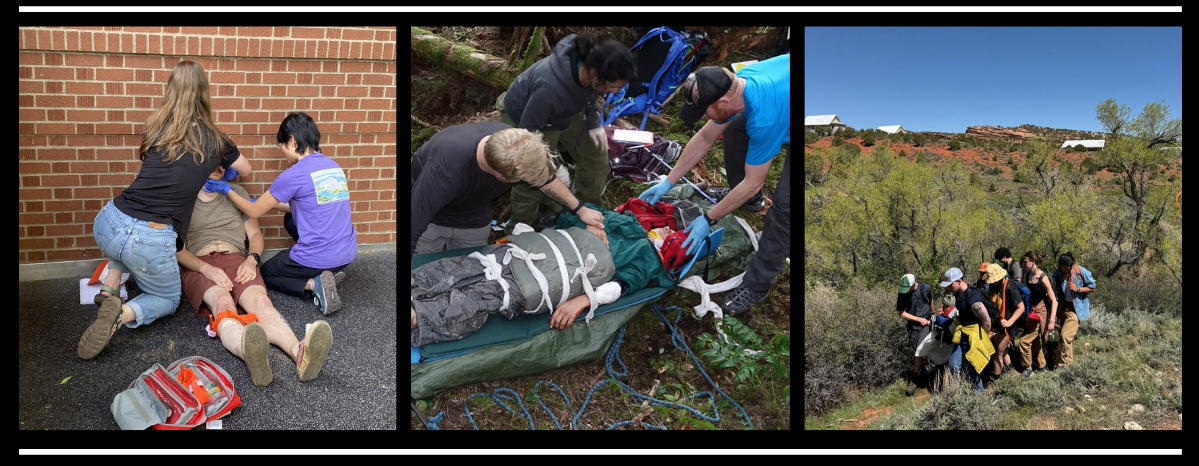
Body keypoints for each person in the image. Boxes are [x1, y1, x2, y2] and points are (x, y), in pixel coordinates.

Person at [80, 60, 252, 360]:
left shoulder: (156, 127)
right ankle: (122, 314)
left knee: (125, 242)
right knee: (167, 299)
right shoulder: (216, 139)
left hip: (109, 221)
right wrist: (222, 172)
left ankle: (109, 290)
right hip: (151, 239)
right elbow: (245, 170)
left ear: (170, 90)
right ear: (204, 94)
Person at [638, 53, 791, 316]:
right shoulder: (737, 83)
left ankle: (758, 283)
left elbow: (755, 182)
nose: (703, 117)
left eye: (704, 110)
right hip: (783, 97)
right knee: (733, 128)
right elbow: (706, 136)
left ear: (723, 101)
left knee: (785, 207)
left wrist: (708, 219)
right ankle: (744, 200)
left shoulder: (764, 117)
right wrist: (668, 181)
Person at [412, 202, 681, 347]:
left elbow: (623, 285)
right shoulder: (616, 218)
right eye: (670, 225)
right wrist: (587, 221)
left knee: (475, 301)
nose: (669, 231)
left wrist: (583, 301)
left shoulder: (646, 255)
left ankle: (417, 317)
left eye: (674, 231)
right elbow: (567, 215)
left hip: (532, 282)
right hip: (515, 254)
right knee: (453, 269)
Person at [177, 166, 333, 386]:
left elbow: (255, 234)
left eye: (223, 162)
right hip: (201, 263)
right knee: (223, 303)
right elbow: (178, 250)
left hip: (238, 259)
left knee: (261, 302)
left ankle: (299, 352)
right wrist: (206, 269)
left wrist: (252, 259)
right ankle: (249, 351)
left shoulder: (236, 193)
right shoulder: (183, 197)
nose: (219, 167)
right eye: (213, 161)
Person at [204, 112, 355, 316]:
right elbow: (308, 206)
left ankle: (314, 283)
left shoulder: (294, 174)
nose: (282, 151)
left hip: (319, 256)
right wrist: (265, 204)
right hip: (346, 253)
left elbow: (253, 211)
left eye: (281, 146)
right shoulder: (333, 167)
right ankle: (329, 274)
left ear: (292, 141)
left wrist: (226, 190)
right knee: (291, 219)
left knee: (267, 273)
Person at [497, 31, 634, 233]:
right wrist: (545, 162)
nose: (614, 92)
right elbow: (526, 138)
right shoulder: (549, 88)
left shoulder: (588, 64)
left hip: (567, 112)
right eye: (613, 87)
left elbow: (587, 92)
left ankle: (586, 212)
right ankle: (520, 227)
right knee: (533, 176)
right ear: (596, 74)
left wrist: (593, 122)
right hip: (528, 119)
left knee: (596, 160)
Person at [410, 122, 605, 256]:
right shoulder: (445, 171)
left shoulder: (513, 143)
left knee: (468, 269)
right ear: (501, 177)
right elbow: (412, 226)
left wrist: (581, 209)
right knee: (422, 269)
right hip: (430, 221)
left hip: (473, 217)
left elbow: (545, 179)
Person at [939, 267, 994, 393]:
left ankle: (978, 398)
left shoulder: (973, 298)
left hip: (973, 335)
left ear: (958, 281)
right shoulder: (958, 294)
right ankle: (964, 391)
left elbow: (986, 320)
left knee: (972, 369)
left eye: (949, 284)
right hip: (962, 333)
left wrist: (984, 336)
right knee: (954, 366)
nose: (947, 288)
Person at [1050, 253, 1096, 369]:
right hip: (1061, 308)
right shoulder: (1057, 274)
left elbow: (1092, 286)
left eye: (1070, 266)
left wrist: (1078, 289)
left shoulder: (1080, 271)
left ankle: (1060, 364)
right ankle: (1069, 365)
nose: (1069, 269)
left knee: (1065, 336)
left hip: (1075, 309)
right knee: (1064, 337)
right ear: (1061, 266)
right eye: (1066, 267)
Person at [1018, 251, 1057, 378]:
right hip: (1031, 311)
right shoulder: (1027, 274)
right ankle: (1042, 365)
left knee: (1024, 340)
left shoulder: (1043, 278)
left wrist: (1051, 321)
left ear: (1033, 262)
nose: (1023, 265)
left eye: (1026, 262)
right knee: (1034, 340)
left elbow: (1054, 301)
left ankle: (1028, 368)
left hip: (1041, 313)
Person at [984, 263, 1025, 382]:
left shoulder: (1011, 287)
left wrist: (1009, 322)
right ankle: (1012, 371)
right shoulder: (994, 287)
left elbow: (1020, 307)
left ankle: (997, 378)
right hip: (999, 323)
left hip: (1010, 326)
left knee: (998, 351)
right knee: (1002, 349)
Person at [896, 274, 934, 396]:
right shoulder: (902, 293)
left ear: (914, 284)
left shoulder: (925, 288)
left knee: (919, 350)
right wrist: (918, 319)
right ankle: (923, 372)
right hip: (913, 326)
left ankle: (914, 380)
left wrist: (932, 314)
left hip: (926, 324)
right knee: (917, 350)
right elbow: (902, 313)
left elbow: (931, 300)